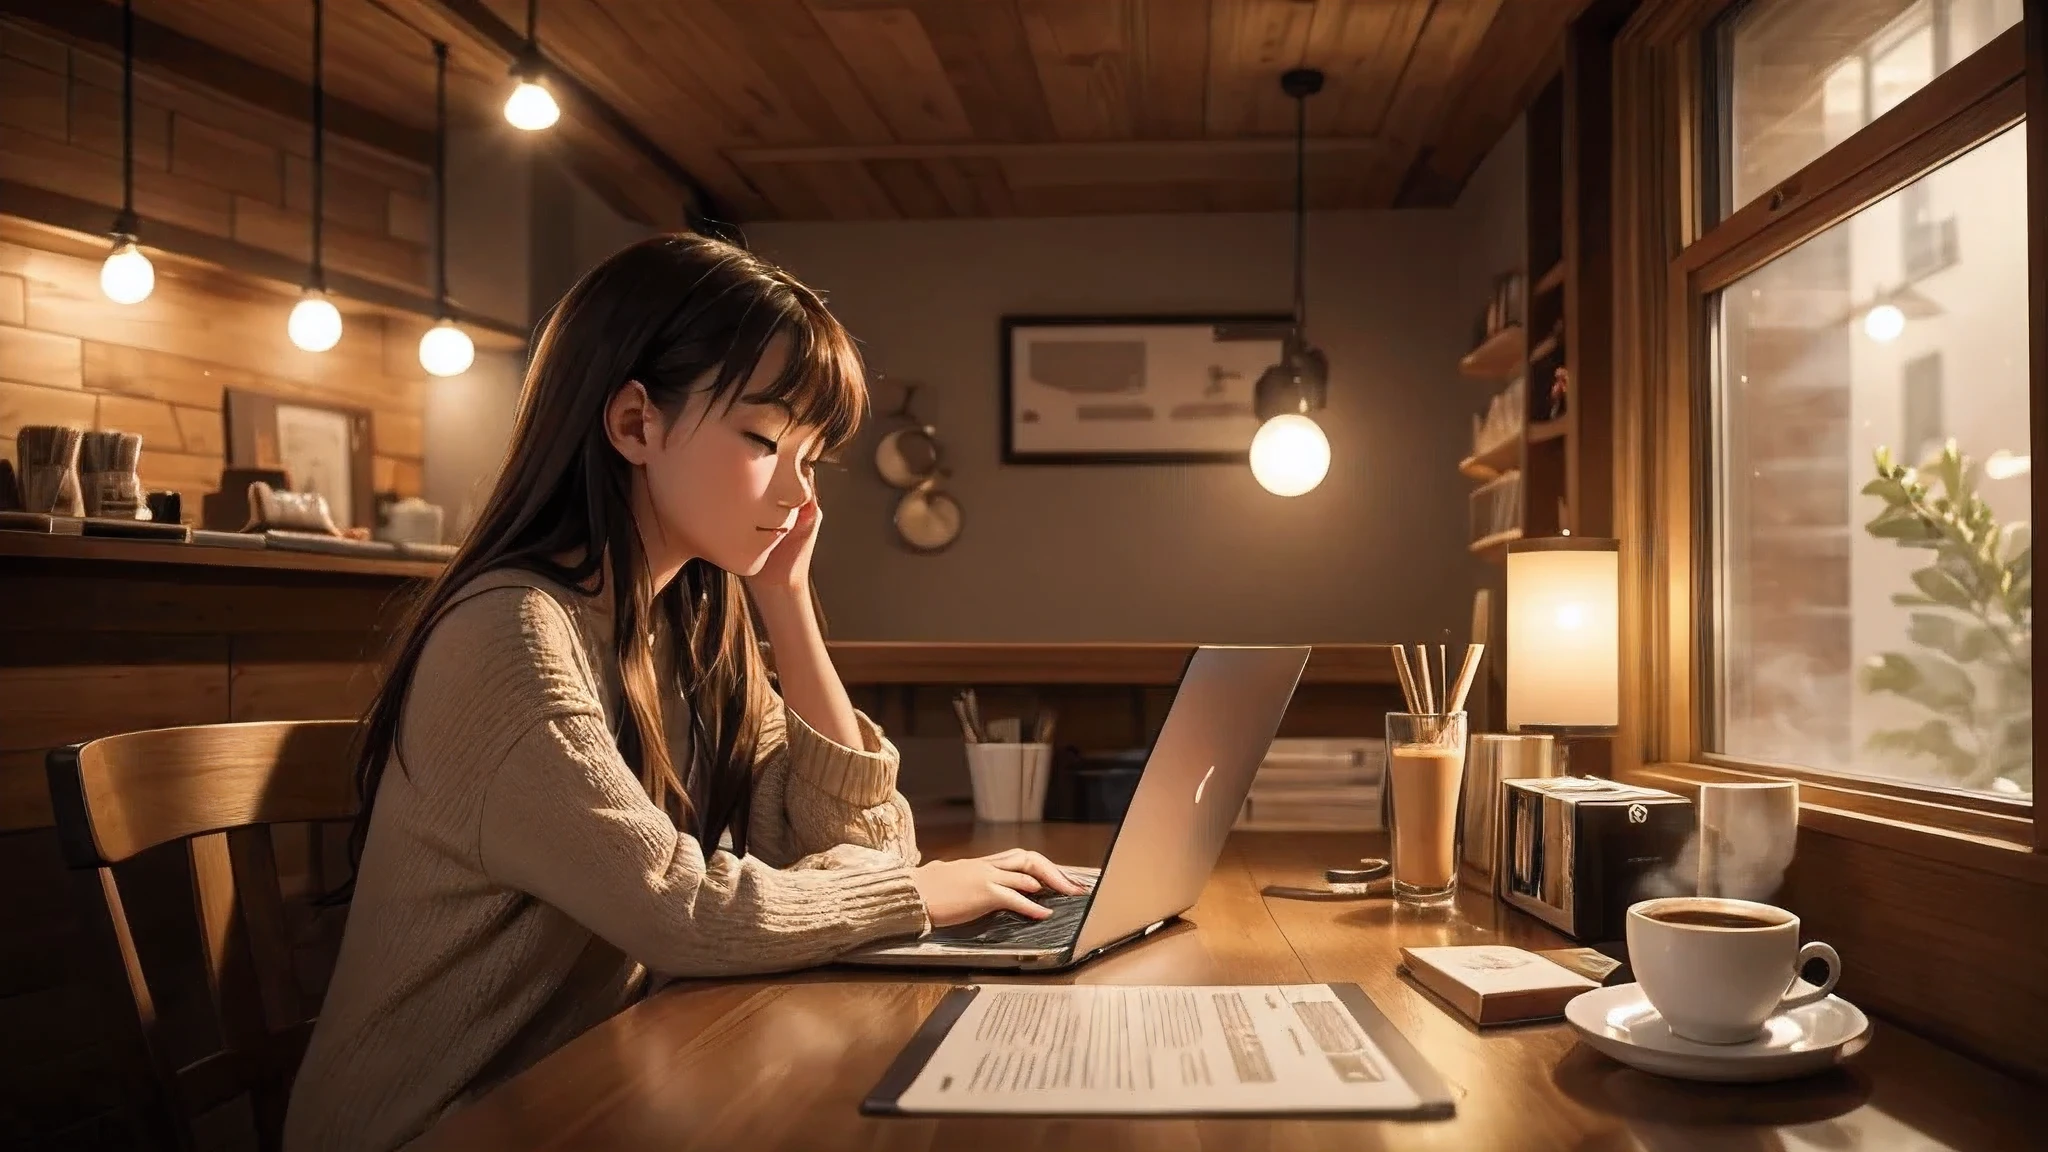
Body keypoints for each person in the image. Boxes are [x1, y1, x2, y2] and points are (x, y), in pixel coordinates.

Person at [283, 234, 1085, 1152]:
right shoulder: (509, 634)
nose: (798, 493)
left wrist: (785, 603)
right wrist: (911, 894)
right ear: (634, 425)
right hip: (442, 1127)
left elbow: (865, 839)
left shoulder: (689, 622)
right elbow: (683, 912)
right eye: (762, 439)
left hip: (598, 1095)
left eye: (812, 456)